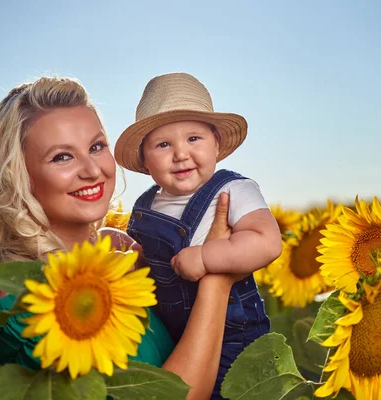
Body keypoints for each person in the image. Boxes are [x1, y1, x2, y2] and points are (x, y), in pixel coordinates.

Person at [0, 76, 240, 399]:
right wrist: (217, 280)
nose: (92, 170)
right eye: (62, 157)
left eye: (96, 147)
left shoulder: (110, 264)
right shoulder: (24, 301)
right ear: (20, 176)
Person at [114, 72, 282, 398]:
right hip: (176, 338)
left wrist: (207, 258)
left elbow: (266, 241)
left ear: (216, 143)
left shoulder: (233, 189)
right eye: (164, 145)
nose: (181, 154)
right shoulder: (146, 205)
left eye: (194, 139)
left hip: (235, 337)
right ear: (145, 160)